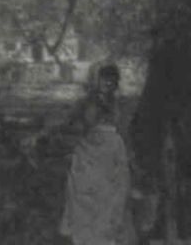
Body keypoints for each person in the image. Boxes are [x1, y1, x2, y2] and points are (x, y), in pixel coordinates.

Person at [23, 62, 137, 245]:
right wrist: (43, 135)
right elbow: (67, 124)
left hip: (114, 158)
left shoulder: (119, 104)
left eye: (112, 78)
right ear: (96, 80)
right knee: (87, 203)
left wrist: (130, 158)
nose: (108, 83)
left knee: (114, 203)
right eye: (104, 78)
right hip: (89, 159)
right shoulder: (85, 103)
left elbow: (124, 132)